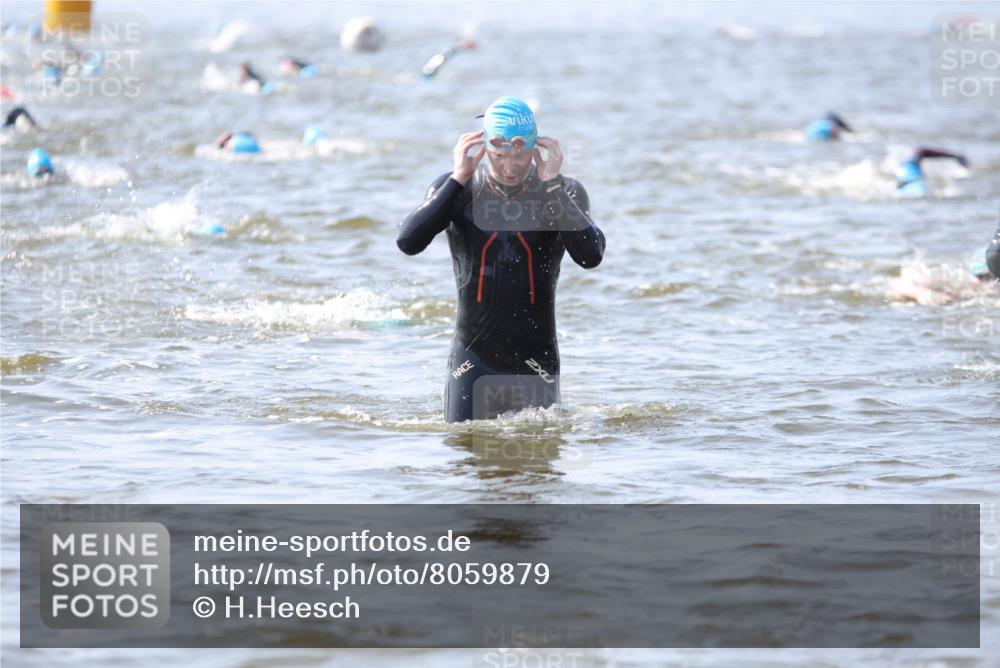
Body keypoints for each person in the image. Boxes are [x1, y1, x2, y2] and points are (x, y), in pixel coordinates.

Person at [397, 96, 605, 423]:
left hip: (537, 360)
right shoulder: (458, 191)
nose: (510, 167)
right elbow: (408, 242)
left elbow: (591, 256)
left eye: (520, 155)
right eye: (499, 155)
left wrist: (551, 185)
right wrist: (456, 179)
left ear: (537, 147)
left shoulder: (565, 193)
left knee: (538, 463)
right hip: (472, 359)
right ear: (482, 147)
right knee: (465, 458)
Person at [895, 147, 969, 197]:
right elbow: (922, 151)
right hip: (915, 186)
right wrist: (955, 156)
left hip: (907, 186)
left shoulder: (902, 166)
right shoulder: (912, 161)